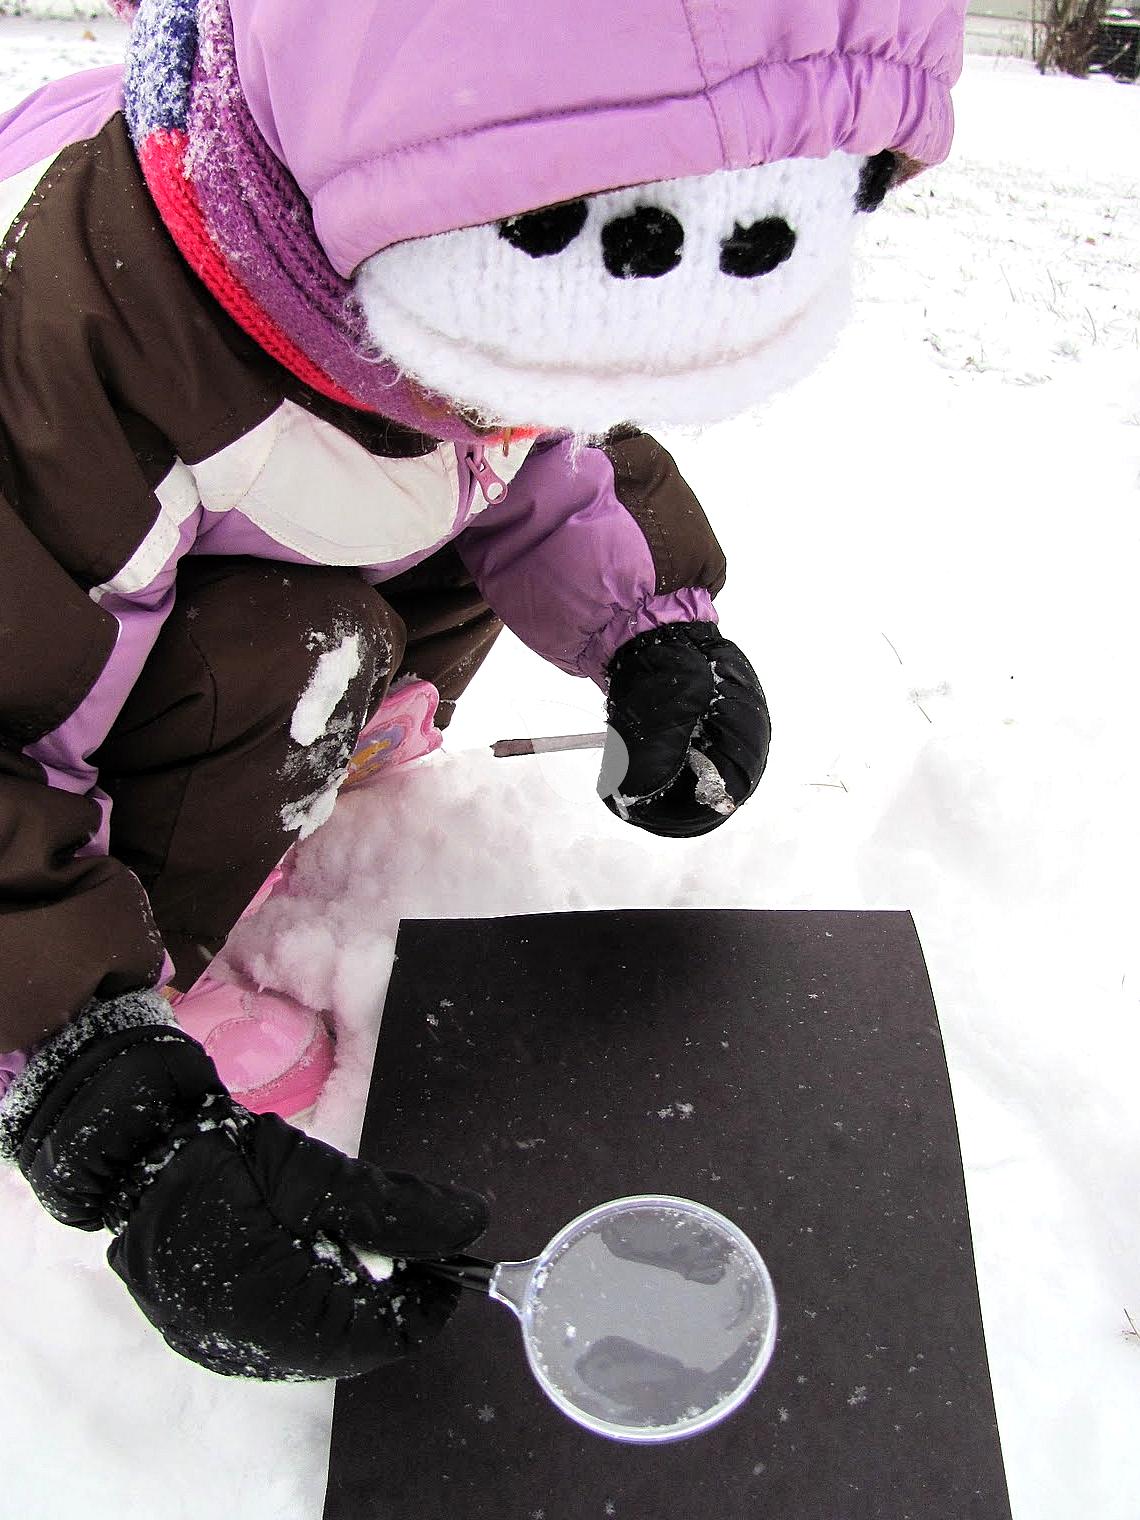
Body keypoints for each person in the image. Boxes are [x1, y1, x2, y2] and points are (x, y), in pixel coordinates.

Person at [0, 0, 966, 1381]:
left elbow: (534, 458)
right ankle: (156, 918)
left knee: (411, 529)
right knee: (279, 647)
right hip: (80, 608)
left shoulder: (461, 248)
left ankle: (294, 741)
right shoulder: (97, 337)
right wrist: (102, 1092)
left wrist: (649, 632)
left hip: (285, 502)